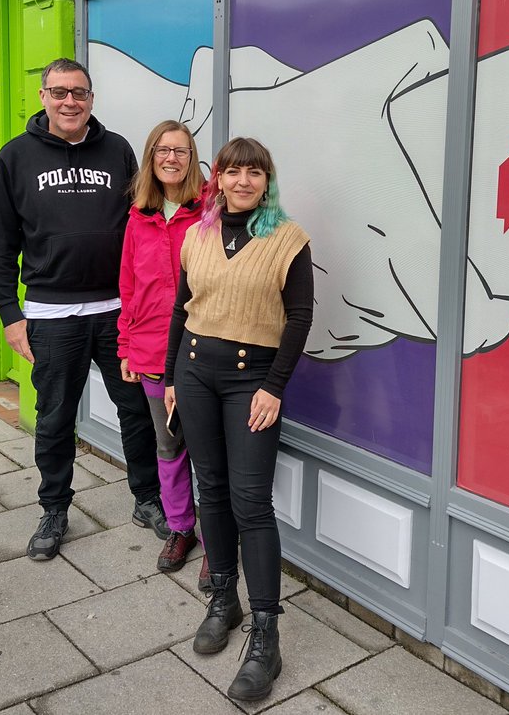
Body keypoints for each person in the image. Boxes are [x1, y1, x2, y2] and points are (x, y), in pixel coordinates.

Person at [0, 58, 166, 560]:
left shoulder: (118, 150)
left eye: (79, 93)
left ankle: (147, 498)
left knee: (136, 411)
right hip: (49, 313)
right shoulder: (15, 156)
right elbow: (0, 244)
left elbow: (143, 224)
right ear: (43, 97)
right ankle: (54, 509)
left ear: (91, 99)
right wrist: (10, 314)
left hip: (117, 312)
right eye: (60, 92)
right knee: (54, 417)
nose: (70, 101)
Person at [164, 137, 313, 702]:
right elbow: (181, 309)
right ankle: (224, 599)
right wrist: (172, 379)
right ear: (218, 179)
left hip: (253, 382)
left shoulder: (287, 239)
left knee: (251, 500)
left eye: (254, 172)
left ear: (266, 181)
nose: (243, 182)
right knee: (212, 488)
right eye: (233, 172)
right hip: (194, 372)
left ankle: (266, 636)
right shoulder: (197, 235)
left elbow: (300, 318)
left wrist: (274, 387)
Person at [118, 120, 209, 581]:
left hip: (205, 351)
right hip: (153, 351)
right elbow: (129, 286)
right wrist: (127, 346)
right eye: (162, 150)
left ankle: (217, 540)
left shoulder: (210, 211)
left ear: (192, 160)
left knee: (212, 451)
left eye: (181, 151)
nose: (171, 158)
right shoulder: (139, 217)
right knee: (169, 444)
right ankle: (180, 527)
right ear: (150, 158)